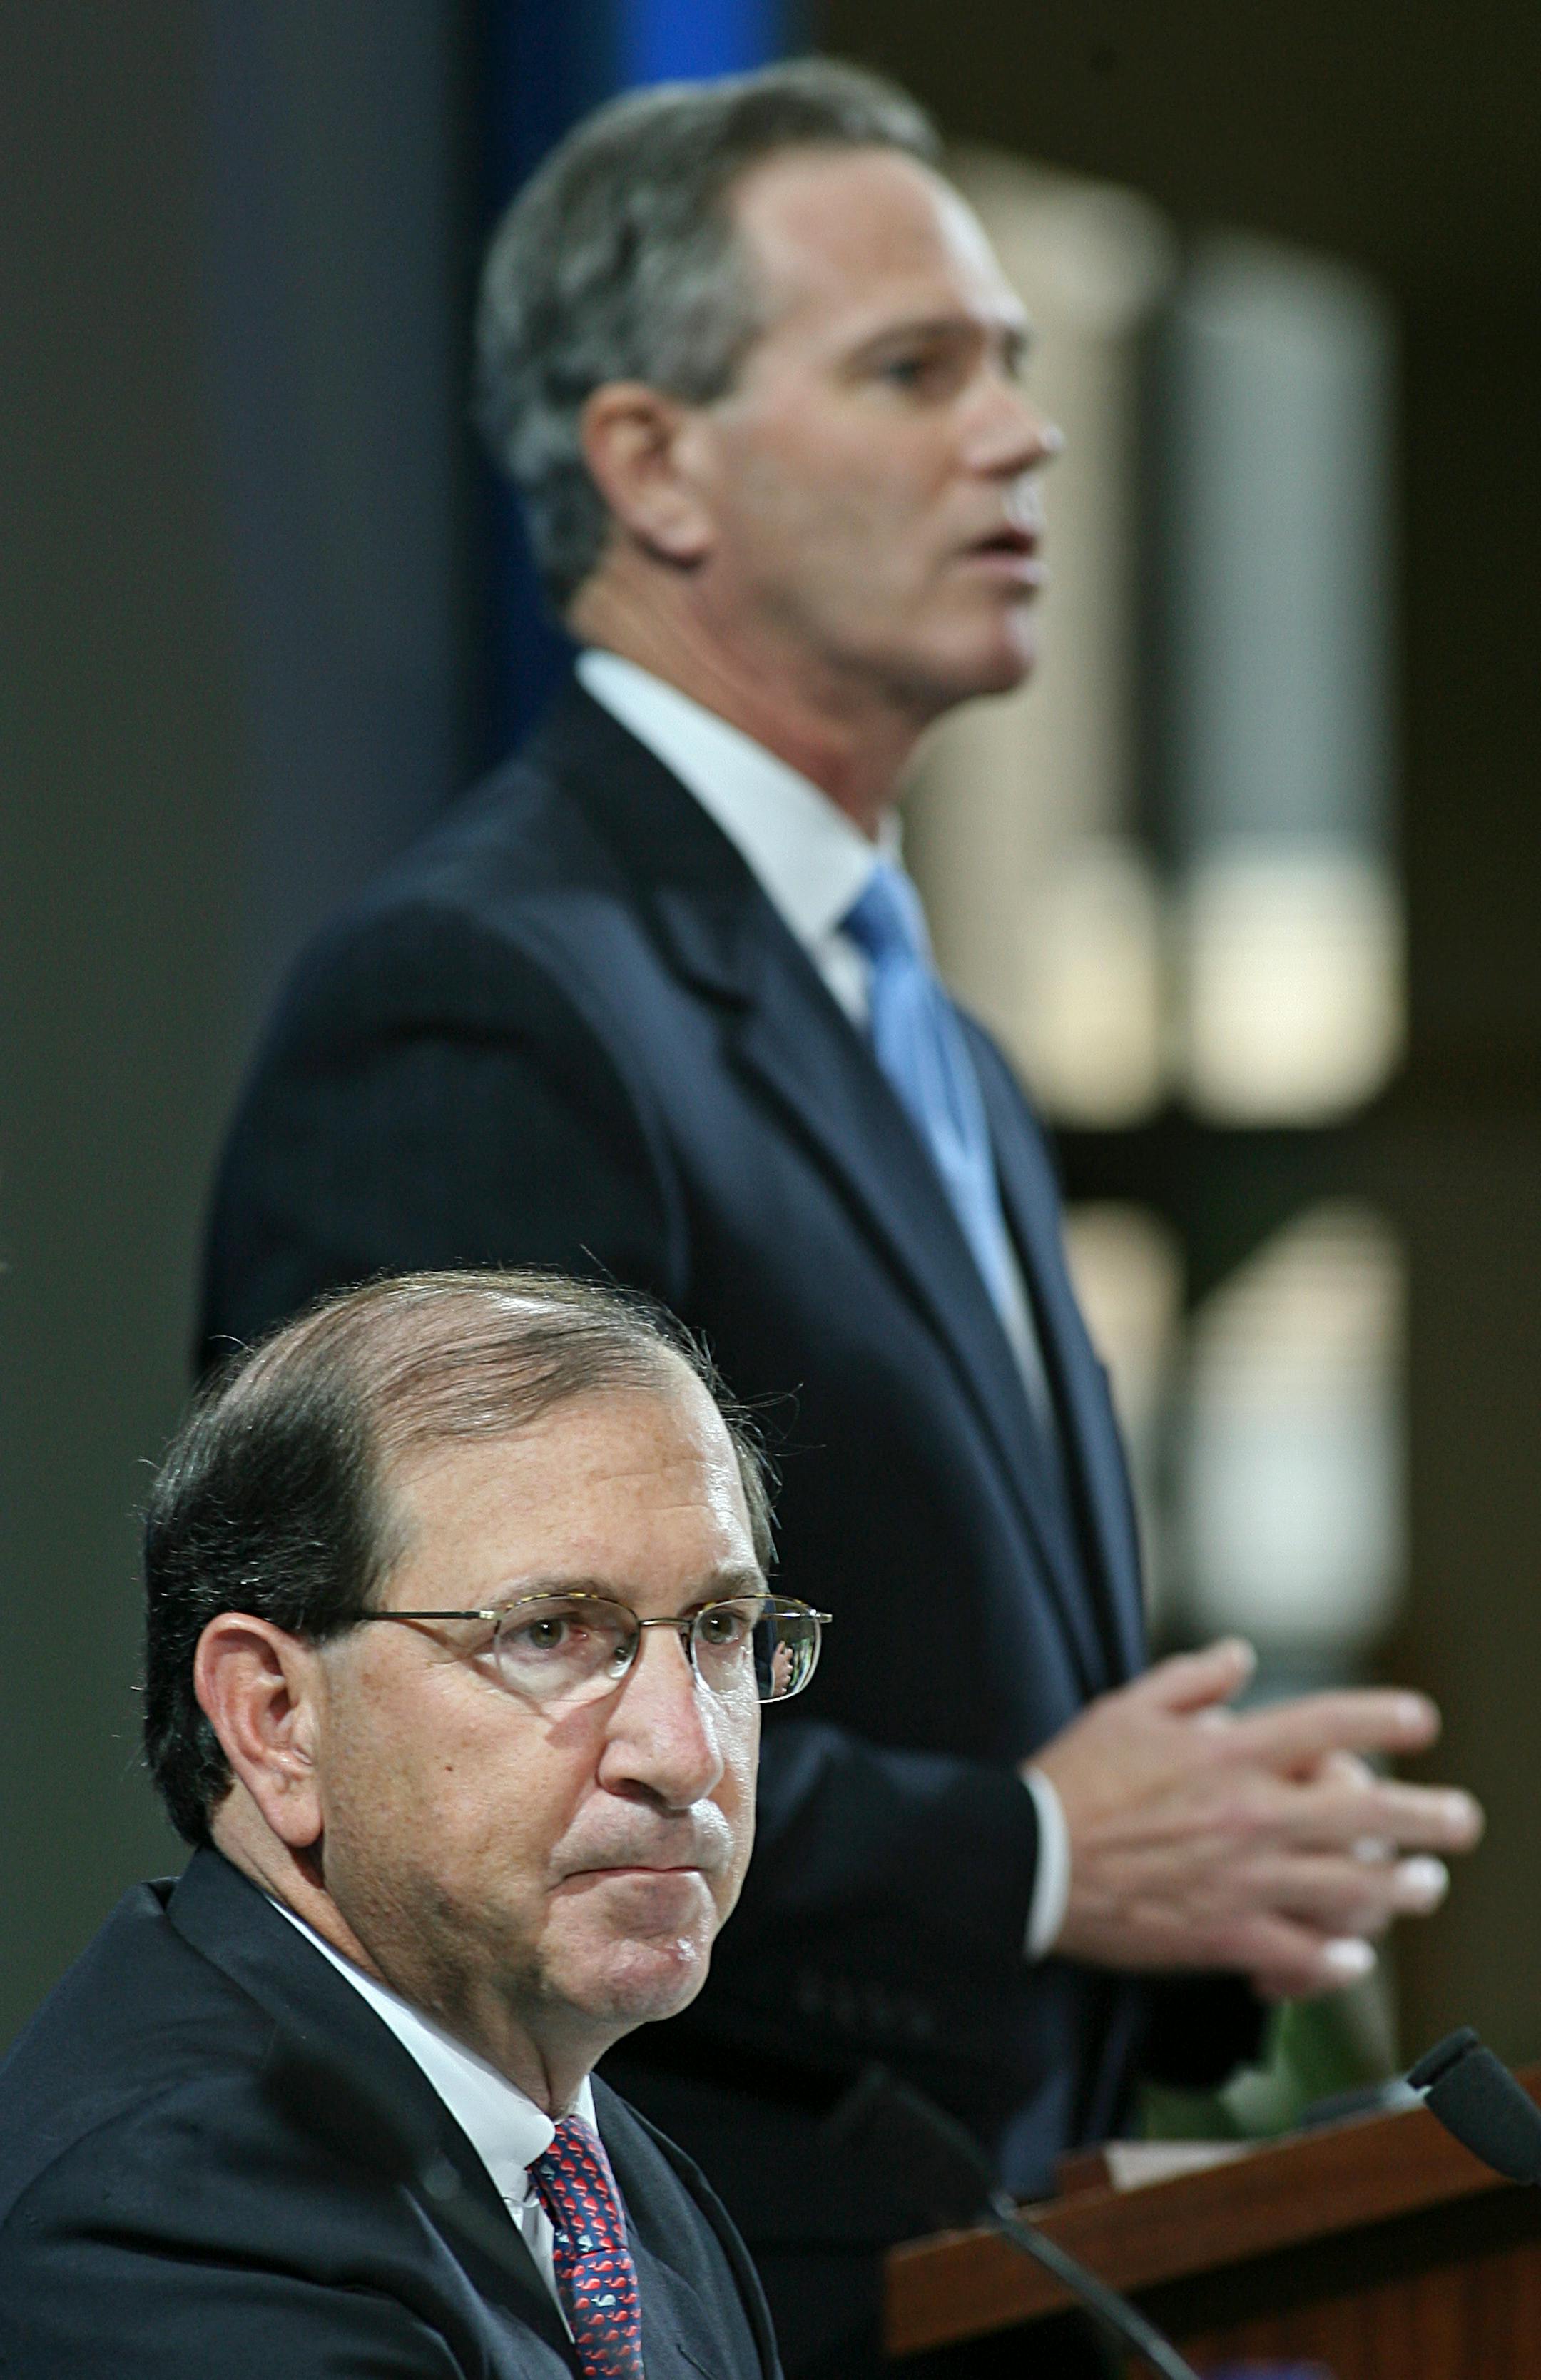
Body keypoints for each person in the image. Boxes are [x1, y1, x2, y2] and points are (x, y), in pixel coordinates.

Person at [197, 61, 1483, 2374]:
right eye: (914, 368)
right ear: (650, 465)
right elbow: (422, 1760)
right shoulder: (482, 993)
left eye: (1010, 360)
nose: (1023, 433)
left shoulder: (938, 1037)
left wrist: (1198, 1877)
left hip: (1025, 2278)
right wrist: (1048, 1855)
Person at [0, 1270, 815, 2378]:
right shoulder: (171, 2214)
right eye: (551, 1632)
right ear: (277, 1720)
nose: (685, 1753)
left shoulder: (621, 2179)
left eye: (718, 1628)